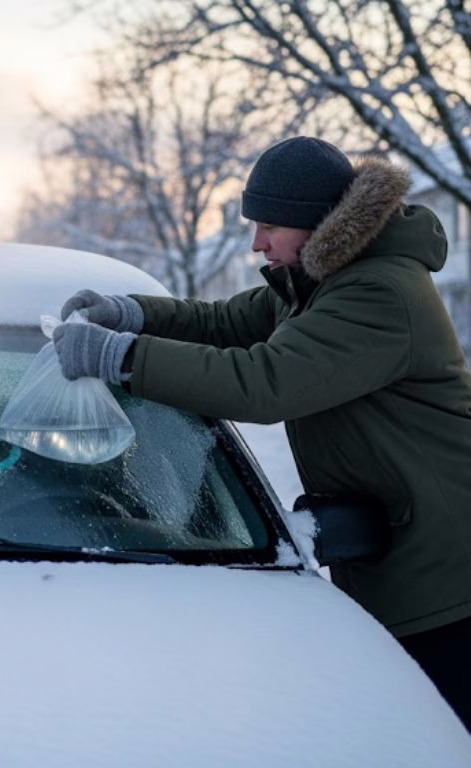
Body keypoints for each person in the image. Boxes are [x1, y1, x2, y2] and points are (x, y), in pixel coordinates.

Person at [52, 136, 471, 729]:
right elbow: (224, 322)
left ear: (318, 222)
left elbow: (263, 383)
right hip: (401, 550)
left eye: (270, 225)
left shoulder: (377, 293)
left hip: (446, 574)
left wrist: (124, 357)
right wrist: (134, 313)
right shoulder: (319, 282)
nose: (257, 243)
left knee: (442, 735)